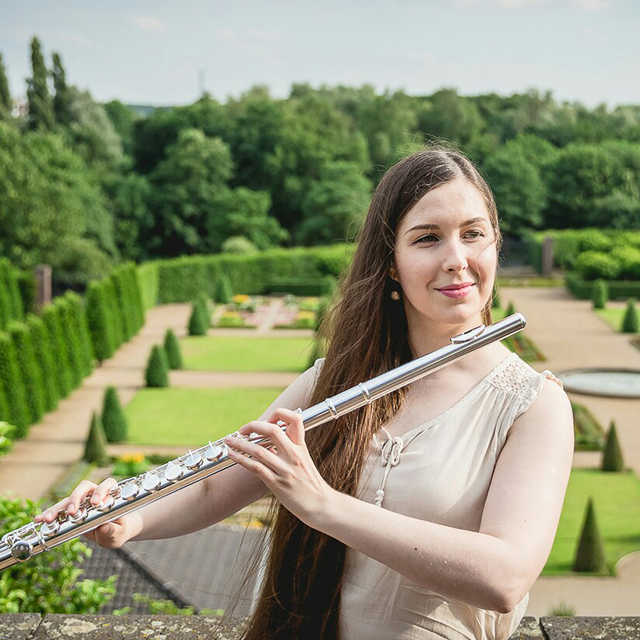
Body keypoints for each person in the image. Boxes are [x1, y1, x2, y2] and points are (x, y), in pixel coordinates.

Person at [35, 148, 574, 640]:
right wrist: (127, 519)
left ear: (496, 244)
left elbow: (505, 576)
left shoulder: (533, 405)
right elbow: (214, 486)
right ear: (391, 261)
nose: (456, 257)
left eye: (473, 234)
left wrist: (323, 505)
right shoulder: (333, 380)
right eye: (427, 238)